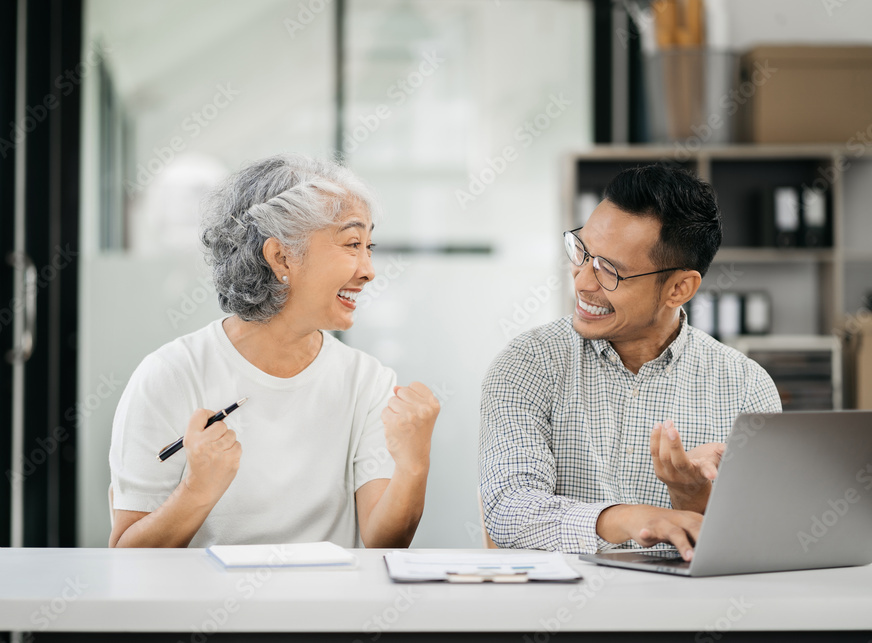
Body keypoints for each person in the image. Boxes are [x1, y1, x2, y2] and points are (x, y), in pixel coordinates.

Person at [109, 153, 439, 549]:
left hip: (327, 608)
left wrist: (414, 463)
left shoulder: (368, 381)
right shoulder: (170, 374)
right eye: (353, 243)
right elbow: (127, 554)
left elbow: (384, 541)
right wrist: (197, 490)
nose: (368, 269)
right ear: (281, 256)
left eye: (369, 245)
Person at [479, 164, 781, 560]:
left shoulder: (745, 386)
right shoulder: (529, 363)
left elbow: (762, 542)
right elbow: (508, 509)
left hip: (688, 614)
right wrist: (633, 520)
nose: (583, 281)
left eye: (610, 270)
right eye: (582, 252)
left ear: (679, 288)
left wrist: (692, 494)